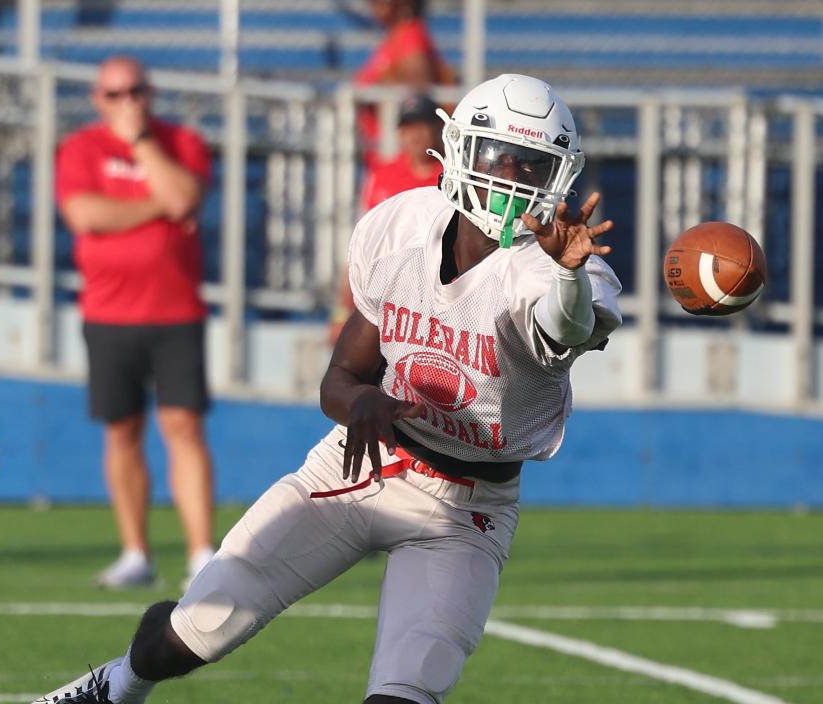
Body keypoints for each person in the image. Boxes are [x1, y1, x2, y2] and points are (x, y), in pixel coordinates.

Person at [33, 73, 622, 704]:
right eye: (498, 156)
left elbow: (567, 324)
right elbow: (340, 377)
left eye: (532, 166)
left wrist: (566, 275)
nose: (511, 179)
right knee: (197, 627)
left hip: (467, 508)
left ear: (558, 177)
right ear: (458, 151)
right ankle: (117, 684)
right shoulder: (401, 227)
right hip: (365, 463)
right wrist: (361, 400)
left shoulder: (563, 271)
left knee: (408, 688)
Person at [54, 56, 215, 590]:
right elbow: (84, 216)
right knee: (122, 432)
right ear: (98, 100)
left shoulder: (180, 142)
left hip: (175, 311)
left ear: (151, 93)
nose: (128, 102)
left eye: (136, 92)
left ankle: (200, 553)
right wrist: (158, 205)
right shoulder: (80, 148)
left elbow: (186, 197)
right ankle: (136, 553)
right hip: (108, 313)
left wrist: (143, 144)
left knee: (183, 427)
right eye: (115, 94)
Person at [329, 93, 445, 346]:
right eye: (407, 127)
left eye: (421, 126)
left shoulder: (451, 178)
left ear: (437, 129)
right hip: (387, 301)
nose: (414, 135)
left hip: (437, 303)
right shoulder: (383, 175)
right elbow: (361, 248)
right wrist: (341, 313)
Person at [355, 0, 455, 167]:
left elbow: (419, 79)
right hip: (388, 155)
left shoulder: (411, 34)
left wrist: (382, 84)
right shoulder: (396, 36)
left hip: (404, 158)